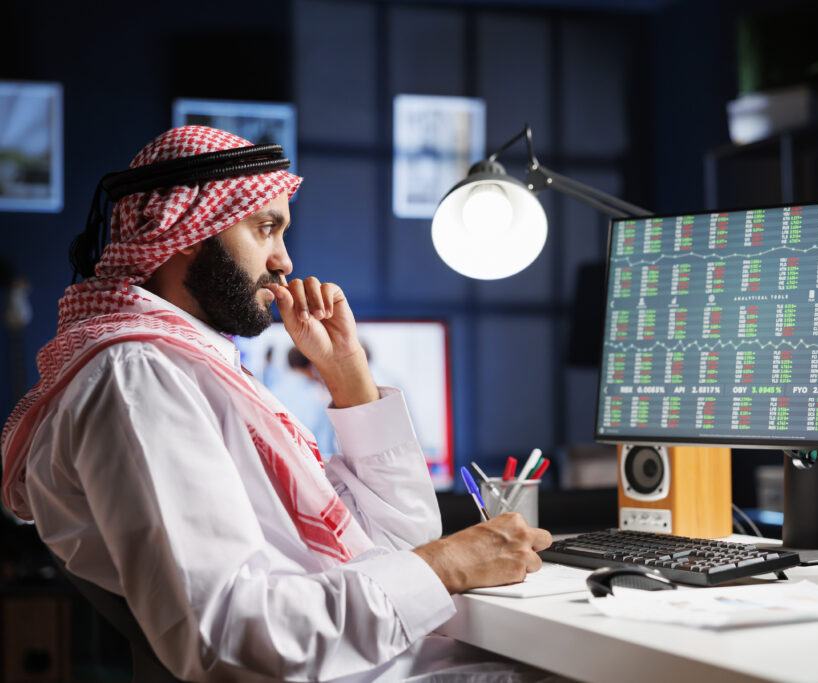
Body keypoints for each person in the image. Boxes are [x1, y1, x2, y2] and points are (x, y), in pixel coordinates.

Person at [0, 126, 553, 682]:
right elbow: (226, 635)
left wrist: (347, 374)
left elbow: (400, 547)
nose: (284, 260)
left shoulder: (198, 370)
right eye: (265, 229)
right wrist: (447, 564)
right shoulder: (139, 378)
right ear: (188, 230)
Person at [266, 346, 340, 456]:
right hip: (311, 461)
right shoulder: (322, 397)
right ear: (311, 366)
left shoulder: (271, 392)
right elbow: (325, 447)